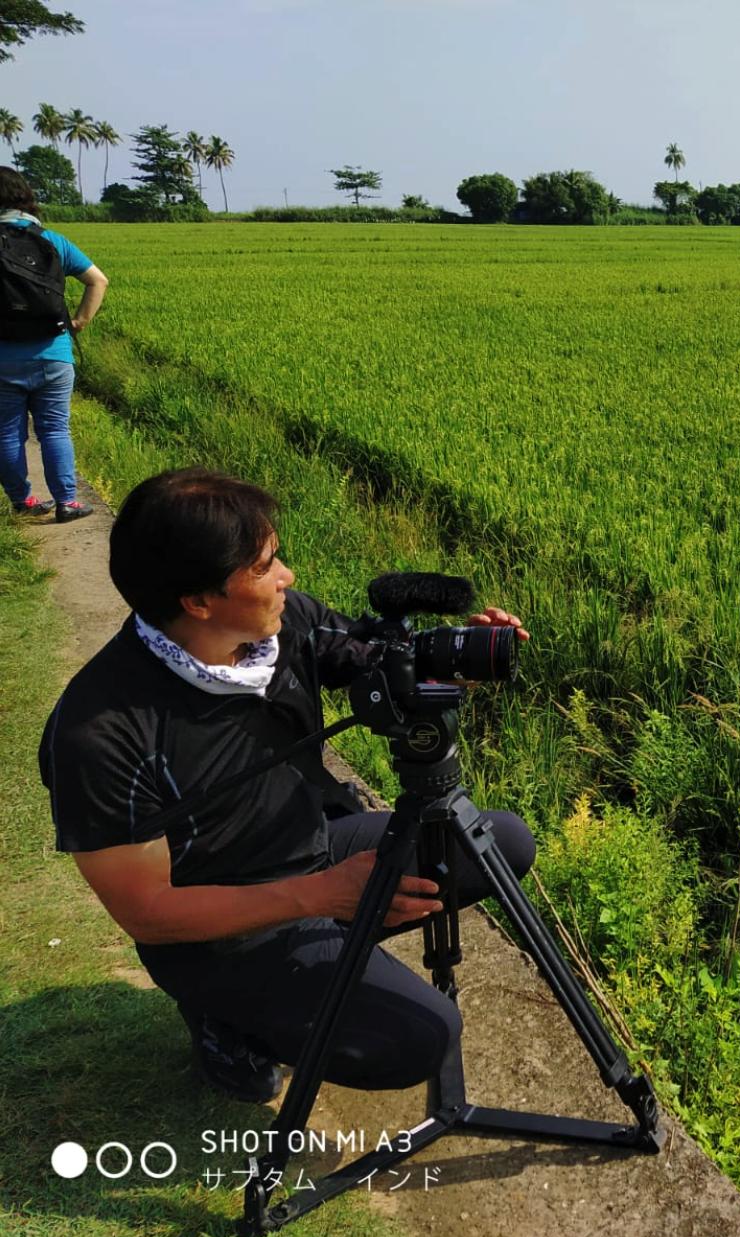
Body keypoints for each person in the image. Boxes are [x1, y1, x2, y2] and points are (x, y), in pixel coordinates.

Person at [39, 467, 536, 1102]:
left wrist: (457, 656)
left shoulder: (280, 625)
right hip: (217, 931)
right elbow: (148, 913)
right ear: (199, 601)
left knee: (501, 845)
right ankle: (226, 1021)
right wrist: (321, 896)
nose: (288, 578)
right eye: (267, 565)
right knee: (422, 1037)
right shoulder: (100, 733)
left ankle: (320, 957)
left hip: (308, 844)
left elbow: (370, 658)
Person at [0, 166, 109, 522]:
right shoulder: (53, 241)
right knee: (55, 428)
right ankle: (66, 502)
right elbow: (98, 281)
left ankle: (24, 503)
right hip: (53, 353)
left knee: (7, 432)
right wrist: (78, 323)